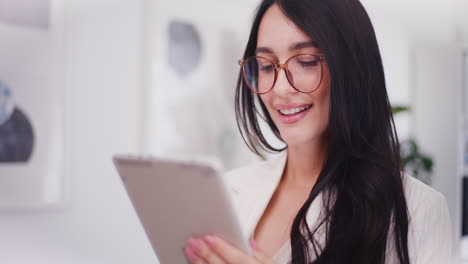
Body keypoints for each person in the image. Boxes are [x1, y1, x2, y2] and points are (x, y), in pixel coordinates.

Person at [183, 0, 452, 263]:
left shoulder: (417, 209)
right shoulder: (229, 191)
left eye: (307, 61)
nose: (280, 89)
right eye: (266, 66)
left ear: (351, 67)